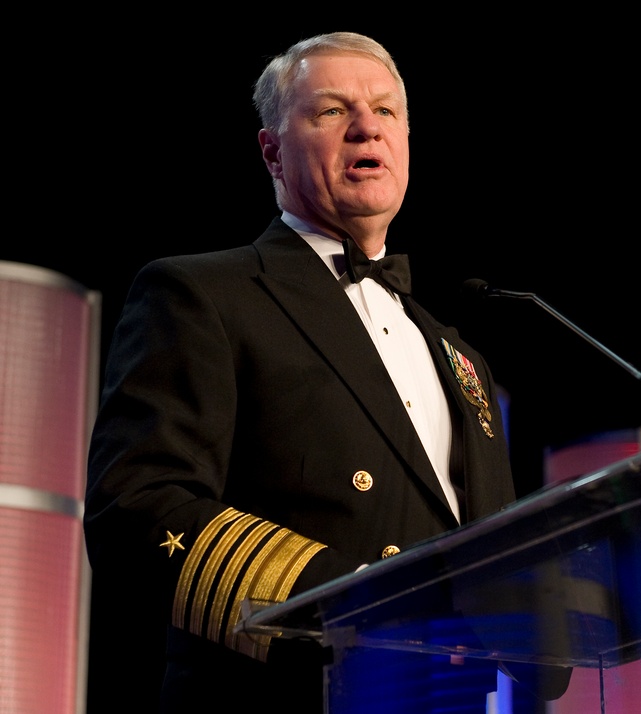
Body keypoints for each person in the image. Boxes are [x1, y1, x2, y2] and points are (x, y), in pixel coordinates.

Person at [84, 31, 564, 712]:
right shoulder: (204, 295)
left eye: (386, 111)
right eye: (332, 111)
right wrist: (354, 605)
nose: (367, 125)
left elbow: (497, 564)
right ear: (272, 151)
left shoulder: (464, 362)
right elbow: (134, 507)